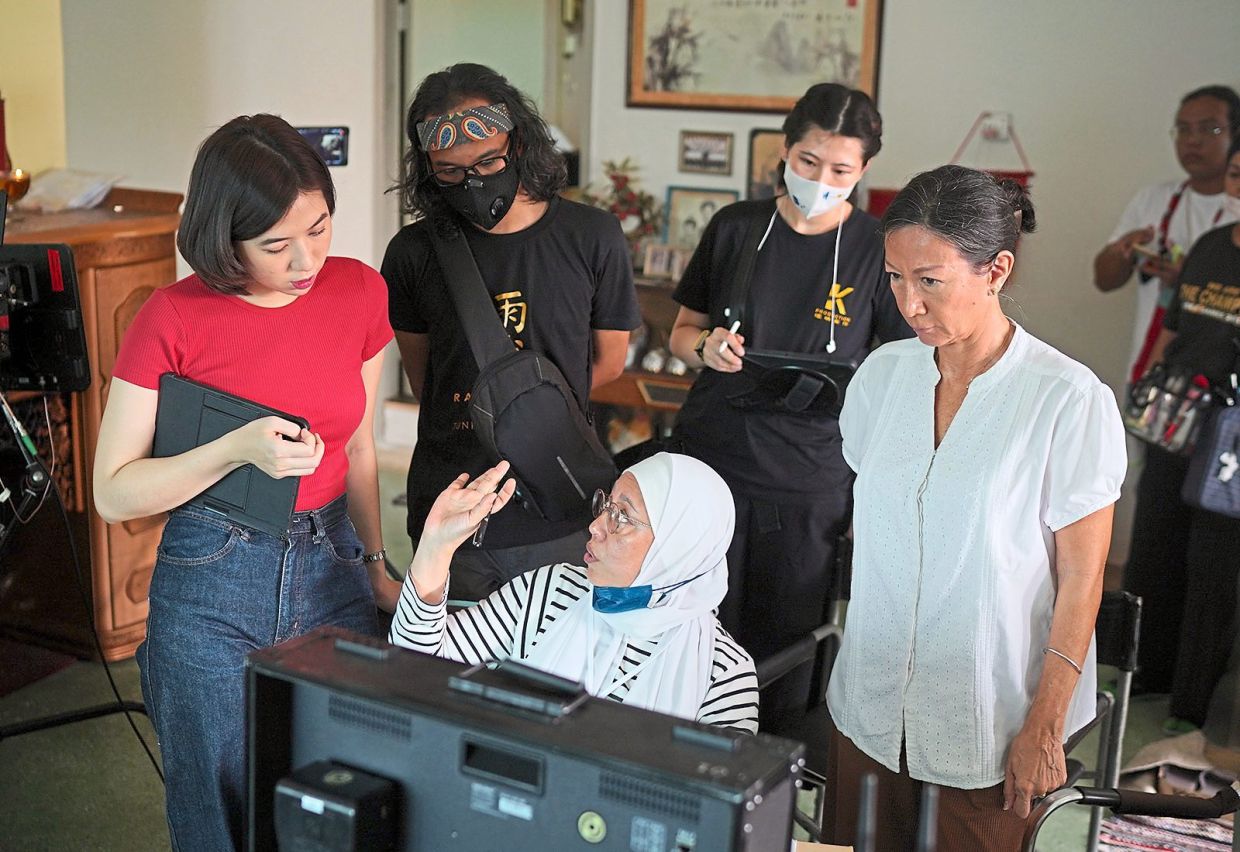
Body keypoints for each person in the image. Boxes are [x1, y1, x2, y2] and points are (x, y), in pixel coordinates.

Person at [92, 114, 398, 851]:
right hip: (212, 573)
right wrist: (232, 449)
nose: (307, 260)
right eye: (276, 245)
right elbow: (112, 490)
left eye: (320, 228)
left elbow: (356, 449)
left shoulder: (358, 291)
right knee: (217, 810)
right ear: (222, 237)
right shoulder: (172, 317)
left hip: (334, 561)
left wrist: (378, 565)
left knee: (348, 793)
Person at [824, 165, 1126, 850]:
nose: (908, 302)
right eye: (895, 277)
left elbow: (1082, 581)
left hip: (990, 721)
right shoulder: (881, 379)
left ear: (996, 271)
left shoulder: (1065, 400)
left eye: (930, 280)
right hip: (869, 707)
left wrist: (1044, 727)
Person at [666, 83, 911, 735]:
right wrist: (705, 347)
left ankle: (769, 771)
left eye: (841, 170)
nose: (821, 181)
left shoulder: (879, 250)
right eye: (808, 162)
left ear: (863, 170)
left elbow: (904, 375)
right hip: (712, 458)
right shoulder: (738, 228)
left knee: (783, 637)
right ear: (785, 149)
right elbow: (681, 330)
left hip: (809, 479)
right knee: (692, 617)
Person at [382, 63, 640, 602]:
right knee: (448, 670)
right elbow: (424, 376)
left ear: (519, 141)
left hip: (560, 497)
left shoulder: (592, 236)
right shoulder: (412, 253)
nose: (472, 181)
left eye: (488, 160)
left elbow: (610, 361)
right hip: (453, 506)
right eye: (449, 171)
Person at [388, 452, 759, 733]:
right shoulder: (551, 590)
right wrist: (436, 548)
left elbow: (718, 824)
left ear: (677, 549)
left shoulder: (723, 674)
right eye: (607, 506)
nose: (596, 526)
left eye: (622, 518)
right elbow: (417, 666)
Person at [1130, 135, 1240, 733]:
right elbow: (1175, 327)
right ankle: (1146, 673)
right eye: (1238, 171)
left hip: (1232, 438)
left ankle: (1192, 705)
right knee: (1155, 545)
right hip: (1177, 418)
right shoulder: (1210, 246)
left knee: (1214, 565)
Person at [1094, 85, 1239, 386]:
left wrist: (1189, 278)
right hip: (1154, 367)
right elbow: (1103, 280)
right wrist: (1123, 251)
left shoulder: (1235, 210)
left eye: (1209, 129)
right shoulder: (1153, 199)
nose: (1193, 140)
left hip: (1221, 383)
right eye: (1183, 129)